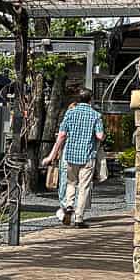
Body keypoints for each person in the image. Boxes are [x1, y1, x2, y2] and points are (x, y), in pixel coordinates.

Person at [41, 89, 105, 228]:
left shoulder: (70, 113)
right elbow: (100, 136)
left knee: (71, 182)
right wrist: (99, 136)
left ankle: (69, 205)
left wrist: (51, 155)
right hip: (87, 156)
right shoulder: (96, 115)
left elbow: (62, 135)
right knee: (83, 187)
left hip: (70, 155)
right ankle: (79, 219)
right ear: (91, 99)